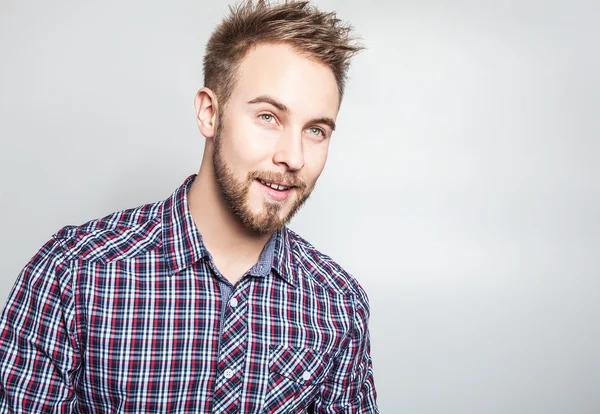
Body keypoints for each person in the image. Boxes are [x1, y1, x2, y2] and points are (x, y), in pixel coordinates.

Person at [0, 1, 378, 412]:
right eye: (268, 117)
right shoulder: (73, 272)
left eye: (316, 130)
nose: (294, 157)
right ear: (209, 113)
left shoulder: (338, 304)